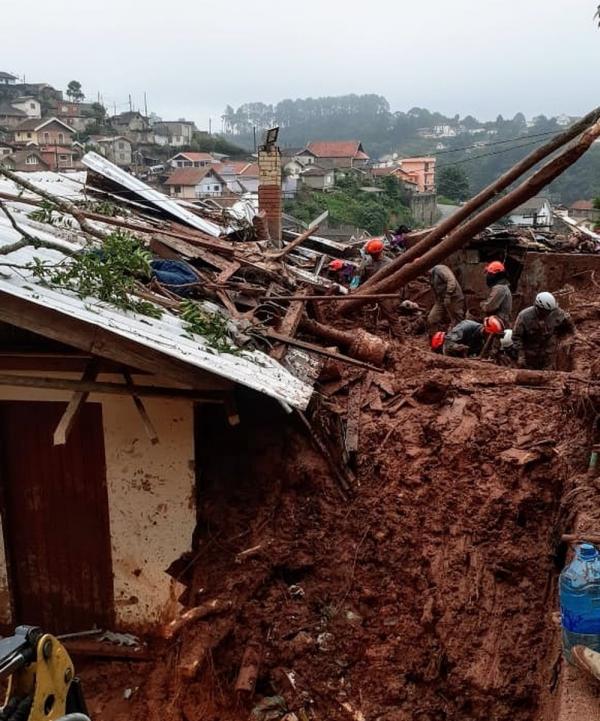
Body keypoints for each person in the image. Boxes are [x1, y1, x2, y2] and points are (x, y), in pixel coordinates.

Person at [512, 292, 575, 370]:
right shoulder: (524, 316)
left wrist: (567, 339)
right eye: (546, 311)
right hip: (530, 356)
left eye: (550, 311)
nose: (549, 313)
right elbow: (516, 337)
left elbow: (569, 327)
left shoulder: (557, 312)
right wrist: (520, 355)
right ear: (538, 308)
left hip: (549, 354)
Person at [427, 264, 465, 335]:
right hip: (440, 299)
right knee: (432, 319)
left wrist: (448, 295)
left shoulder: (440, 269)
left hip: (453, 297)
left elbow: (451, 280)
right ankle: (435, 340)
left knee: (457, 319)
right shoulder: (430, 275)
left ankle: (459, 339)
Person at [481, 261, 512, 326]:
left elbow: (489, 307)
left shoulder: (500, 288)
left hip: (499, 322)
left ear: (494, 275)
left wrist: (482, 305)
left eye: (489, 274)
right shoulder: (502, 286)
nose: (487, 276)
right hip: (499, 320)